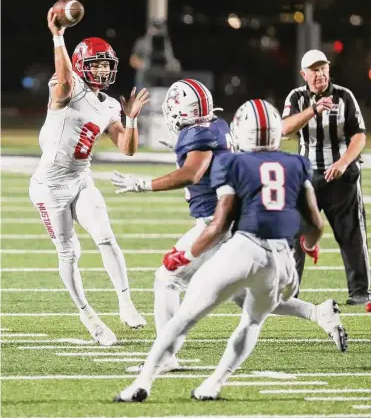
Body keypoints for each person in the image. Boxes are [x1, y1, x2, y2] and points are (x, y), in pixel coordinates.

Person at [111, 85, 347, 373]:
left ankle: (165, 358)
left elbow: (192, 173)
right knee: (243, 296)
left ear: (181, 110)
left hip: (216, 222)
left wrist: (142, 184)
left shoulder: (196, 134)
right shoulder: (217, 125)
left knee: (167, 280)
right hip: (236, 222)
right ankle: (318, 312)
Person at [28, 8, 149, 346]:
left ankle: (126, 302)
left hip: (81, 179)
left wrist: (132, 118)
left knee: (106, 237)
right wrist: (58, 36)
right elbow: (65, 84)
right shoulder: (65, 84)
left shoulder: (110, 104)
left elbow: (127, 147)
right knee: (69, 252)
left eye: (107, 65)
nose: (103, 70)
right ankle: (90, 317)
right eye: (96, 63)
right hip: (49, 186)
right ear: (81, 63)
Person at [282, 49, 370, 305]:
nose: (320, 74)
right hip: (307, 177)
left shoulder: (344, 96)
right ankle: (289, 294)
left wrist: (343, 163)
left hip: (341, 176)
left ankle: (361, 292)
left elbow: (359, 135)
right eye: (314, 70)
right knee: (295, 234)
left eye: (323, 68)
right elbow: (285, 128)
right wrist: (313, 109)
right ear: (304, 74)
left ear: (329, 69)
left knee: (351, 233)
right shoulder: (297, 97)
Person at [129, 18, 181, 90]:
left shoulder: (166, 43)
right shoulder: (141, 42)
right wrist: (142, 65)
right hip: (145, 77)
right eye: (155, 27)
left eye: (160, 27)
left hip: (160, 76)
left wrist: (173, 64)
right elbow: (132, 60)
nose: (158, 30)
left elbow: (170, 58)